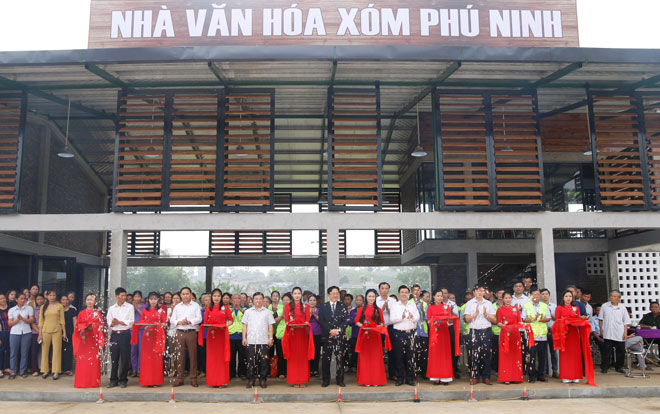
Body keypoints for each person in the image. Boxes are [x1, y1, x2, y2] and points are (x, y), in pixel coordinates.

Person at [553, 290, 595, 385]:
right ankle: (565, 376)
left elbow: (577, 319)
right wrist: (565, 323)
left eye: (570, 296)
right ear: (563, 297)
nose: (568, 298)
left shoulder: (575, 308)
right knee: (565, 355)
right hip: (565, 334)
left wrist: (581, 319)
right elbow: (557, 321)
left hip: (574, 333)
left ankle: (576, 376)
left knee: (575, 354)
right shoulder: (559, 308)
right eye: (566, 296)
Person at [354, 288, 389, 386]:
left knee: (376, 358)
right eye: (369, 296)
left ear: (375, 297)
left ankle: (376, 380)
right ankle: (366, 380)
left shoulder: (379, 309)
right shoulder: (362, 308)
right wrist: (364, 327)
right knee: (365, 358)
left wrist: (375, 327)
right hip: (364, 335)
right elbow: (356, 321)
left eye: (373, 296)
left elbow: (382, 322)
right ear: (366, 297)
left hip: (375, 336)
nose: (371, 298)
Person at [199, 288, 233, 388]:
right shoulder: (208, 309)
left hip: (222, 336)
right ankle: (212, 381)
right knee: (212, 359)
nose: (216, 298)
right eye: (215, 296)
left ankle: (221, 382)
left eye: (218, 296)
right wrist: (210, 327)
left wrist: (226, 325)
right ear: (212, 298)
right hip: (212, 336)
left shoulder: (225, 308)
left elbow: (231, 320)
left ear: (221, 297)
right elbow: (205, 323)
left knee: (222, 358)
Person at [132, 291, 166, 387]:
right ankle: (146, 381)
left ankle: (156, 381)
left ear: (158, 300)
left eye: (155, 299)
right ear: (148, 300)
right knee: (146, 358)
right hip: (147, 337)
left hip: (157, 336)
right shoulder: (144, 311)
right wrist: (145, 326)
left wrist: (159, 325)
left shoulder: (161, 311)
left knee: (156, 358)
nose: (153, 301)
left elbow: (165, 323)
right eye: (151, 299)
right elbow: (142, 321)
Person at [464, 285, 496, 385]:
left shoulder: (489, 303)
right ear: (474, 292)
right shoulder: (469, 303)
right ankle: (475, 377)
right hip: (474, 331)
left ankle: (486, 377)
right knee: (474, 354)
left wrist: (486, 315)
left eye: (482, 291)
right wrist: (475, 314)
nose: (480, 292)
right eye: (477, 290)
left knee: (486, 354)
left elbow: (494, 320)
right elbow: (467, 319)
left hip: (486, 331)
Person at [171, 286, 203, 387]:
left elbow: (199, 318)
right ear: (180, 295)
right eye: (183, 294)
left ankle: (193, 378)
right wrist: (179, 322)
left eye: (187, 294)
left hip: (191, 332)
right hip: (179, 332)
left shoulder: (195, 306)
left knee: (193, 355)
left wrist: (190, 321)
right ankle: (180, 378)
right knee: (180, 356)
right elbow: (172, 320)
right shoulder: (177, 307)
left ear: (190, 294)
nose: (185, 296)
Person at [319, 285, 350, 387]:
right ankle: (326, 380)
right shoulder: (323, 306)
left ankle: (340, 379)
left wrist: (338, 330)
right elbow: (321, 321)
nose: (335, 295)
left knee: (340, 358)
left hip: (339, 336)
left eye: (337, 293)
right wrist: (330, 331)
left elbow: (346, 320)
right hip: (327, 336)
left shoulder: (343, 306)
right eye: (333, 293)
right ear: (329, 294)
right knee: (326, 359)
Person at [242, 292, 275, 388]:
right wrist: (244, 338)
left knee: (264, 361)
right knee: (250, 361)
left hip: (263, 341)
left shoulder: (267, 312)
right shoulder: (248, 312)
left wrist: (271, 338)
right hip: (251, 341)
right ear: (252, 300)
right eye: (256, 298)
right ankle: (251, 380)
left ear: (263, 300)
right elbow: (244, 325)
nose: (258, 300)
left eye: (260, 299)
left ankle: (263, 379)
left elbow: (270, 326)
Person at [282, 286, 313, 387]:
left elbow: (307, 320)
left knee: (303, 357)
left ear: (301, 295)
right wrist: (292, 325)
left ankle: (302, 380)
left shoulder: (306, 307)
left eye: (299, 293)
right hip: (292, 335)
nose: (297, 295)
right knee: (293, 358)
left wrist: (303, 324)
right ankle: (295, 380)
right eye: (295, 293)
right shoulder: (287, 307)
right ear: (292, 294)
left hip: (303, 335)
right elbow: (287, 321)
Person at [426, 289, 459, 385]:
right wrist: (436, 321)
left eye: (441, 296)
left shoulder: (446, 307)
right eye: (438, 296)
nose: (440, 297)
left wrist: (450, 320)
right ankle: (435, 376)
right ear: (434, 297)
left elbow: (449, 321)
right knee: (435, 354)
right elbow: (428, 321)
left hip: (445, 332)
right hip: (435, 333)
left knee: (445, 354)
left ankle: (446, 377)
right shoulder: (430, 308)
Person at [390, 285, 420, 386]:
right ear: (399, 294)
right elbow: (392, 319)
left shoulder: (412, 304)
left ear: (408, 294)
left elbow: (417, 318)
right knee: (399, 356)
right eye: (402, 292)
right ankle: (400, 378)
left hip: (411, 332)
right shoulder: (395, 305)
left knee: (410, 356)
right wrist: (401, 317)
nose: (404, 294)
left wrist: (412, 317)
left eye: (406, 292)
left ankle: (409, 378)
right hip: (399, 333)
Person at [73, 294, 105, 388]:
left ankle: (93, 382)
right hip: (83, 340)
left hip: (93, 340)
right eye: (88, 299)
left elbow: (101, 326)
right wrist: (83, 328)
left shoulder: (97, 313)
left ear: (95, 302)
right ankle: (82, 382)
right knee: (82, 361)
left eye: (91, 300)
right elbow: (77, 326)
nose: (89, 302)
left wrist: (92, 326)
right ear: (85, 301)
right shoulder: (81, 313)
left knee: (93, 362)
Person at [107, 287, 134, 388]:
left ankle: (123, 380)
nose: (124, 297)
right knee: (114, 358)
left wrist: (120, 322)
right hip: (114, 334)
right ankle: (113, 380)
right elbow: (109, 321)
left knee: (125, 358)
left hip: (125, 334)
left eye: (125, 295)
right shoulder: (112, 308)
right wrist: (113, 323)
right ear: (116, 296)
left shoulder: (129, 307)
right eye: (122, 295)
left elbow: (131, 322)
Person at [598, 290, 630, 374]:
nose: (612, 297)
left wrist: (625, 333)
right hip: (608, 332)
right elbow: (600, 319)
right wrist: (601, 329)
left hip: (619, 332)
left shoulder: (622, 307)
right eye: (611, 296)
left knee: (621, 351)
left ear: (619, 298)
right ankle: (605, 367)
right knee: (606, 351)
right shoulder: (605, 306)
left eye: (615, 296)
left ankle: (619, 367)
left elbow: (626, 322)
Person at [522, 288, 550, 383]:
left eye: (538, 294)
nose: (537, 296)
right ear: (531, 295)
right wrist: (532, 319)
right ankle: (531, 375)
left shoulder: (544, 306)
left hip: (542, 335)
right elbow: (523, 319)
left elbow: (548, 318)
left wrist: (542, 319)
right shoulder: (526, 305)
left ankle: (541, 375)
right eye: (535, 294)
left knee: (542, 356)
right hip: (531, 335)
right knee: (531, 356)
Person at [496, 292, 523, 384]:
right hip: (505, 334)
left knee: (516, 354)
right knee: (505, 355)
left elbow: (519, 321)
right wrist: (504, 326)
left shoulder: (516, 309)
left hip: (515, 334)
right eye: (506, 298)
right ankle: (506, 377)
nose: (508, 300)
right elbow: (498, 322)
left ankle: (516, 377)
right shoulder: (500, 310)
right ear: (502, 299)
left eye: (509, 298)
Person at [39, 289, 66, 380]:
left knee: (57, 351)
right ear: (47, 296)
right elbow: (41, 321)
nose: (52, 297)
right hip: (45, 330)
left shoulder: (60, 306)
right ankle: (45, 370)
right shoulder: (43, 307)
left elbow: (62, 320)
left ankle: (56, 371)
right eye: (50, 295)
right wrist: (40, 334)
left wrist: (64, 333)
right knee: (45, 351)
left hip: (57, 330)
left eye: (54, 295)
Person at [7, 293, 34, 378]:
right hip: (14, 332)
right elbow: (10, 323)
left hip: (26, 332)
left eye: (24, 299)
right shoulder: (12, 310)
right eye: (21, 299)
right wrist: (17, 320)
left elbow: (31, 320)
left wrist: (22, 319)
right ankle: (13, 371)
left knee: (24, 352)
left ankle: (22, 371)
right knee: (13, 353)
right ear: (16, 300)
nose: (23, 301)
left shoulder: (29, 308)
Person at [376, 282, 398, 380]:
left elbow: (396, 315)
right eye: (382, 288)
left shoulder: (393, 301)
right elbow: (373, 315)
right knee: (378, 350)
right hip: (379, 328)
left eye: (386, 288)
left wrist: (388, 309)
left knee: (392, 351)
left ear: (389, 289)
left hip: (390, 327)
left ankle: (392, 373)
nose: (384, 290)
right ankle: (378, 373)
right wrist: (382, 309)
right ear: (379, 289)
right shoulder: (375, 300)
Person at [540, 288, 559, 378]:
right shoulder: (538, 306)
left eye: (546, 294)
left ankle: (555, 371)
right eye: (543, 294)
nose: (545, 296)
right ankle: (543, 371)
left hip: (552, 329)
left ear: (549, 295)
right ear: (540, 296)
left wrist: (551, 315)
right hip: (542, 330)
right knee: (543, 353)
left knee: (553, 352)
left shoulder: (554, 306)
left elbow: (557, 319)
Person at [412, 285, 429, 379]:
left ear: (420, 292)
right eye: (414, 290)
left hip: (423, 331)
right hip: (413, 331)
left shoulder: (424, 303)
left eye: (418, 290)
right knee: (413, 352)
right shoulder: (409, 302)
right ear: (411, 292)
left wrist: (422, 310)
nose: (416, 292)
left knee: (424, 353)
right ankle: (414, 371)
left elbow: (427, 318)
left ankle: (424, 372)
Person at [228, 293, 246, 379]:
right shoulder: (228, 309)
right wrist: (232, 309)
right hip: (230, 336)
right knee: (231, 356)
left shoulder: (245, 309)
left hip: (241, 336)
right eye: (234, 298)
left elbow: (247, 317)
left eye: (238, 298)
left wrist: (239, 308)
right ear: (231, 300)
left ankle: (241, 372)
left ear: (241, 300)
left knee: (242, 356)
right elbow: (224, 317)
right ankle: (231, 373)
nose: (236, 300)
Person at [269, 290, 285, 378]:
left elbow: (280, 319)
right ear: (271, 298)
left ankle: (281, 372)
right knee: (269, 353)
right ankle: (270, 371)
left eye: (277, 296)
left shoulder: (282, 307)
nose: (275, 297)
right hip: (270, 333)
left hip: (280, 332)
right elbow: (269, 320)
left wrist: (278, 316)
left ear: (279, 298)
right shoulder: (268, 307)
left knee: (280, 353)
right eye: (273, 296)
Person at [165, 292, 181, 378]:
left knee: (181, 353)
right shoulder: (168, 310)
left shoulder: (182, 308)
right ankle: (173, 370)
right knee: (173, 353)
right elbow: (166, 321)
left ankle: (181, 370)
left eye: (177, 298)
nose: (175, 300)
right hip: (171, 333)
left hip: (180, 332)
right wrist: (171, 311)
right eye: (174, 298)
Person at [60, 295, 76, 376]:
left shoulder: (72, 310)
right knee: (59, 350)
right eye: (63, 300)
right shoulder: (58, 310)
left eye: (66, 300)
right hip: (58, 332)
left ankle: (67, 369)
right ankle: (59, 368)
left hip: (70, 332)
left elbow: (74, 321)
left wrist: (74, 332)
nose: (65, 301)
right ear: (60, 301)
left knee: (69, 351)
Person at [347, 294, 363, 372]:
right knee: (354, 351)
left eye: (360, 300)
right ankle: (353, 365)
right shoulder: (352, 311)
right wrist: (355, 321)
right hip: (355, 334)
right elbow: (350, 322)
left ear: (363, 301)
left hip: (363, 334)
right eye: (357, 300)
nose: (358, 301)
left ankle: (360, 366)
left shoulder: (365, 311)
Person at [130, 290, 144, 378]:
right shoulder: (129, 307)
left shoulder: (145, 306)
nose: (136, 298)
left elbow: (144, 316)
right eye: (135, 297)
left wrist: (137, 308)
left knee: (141, 350)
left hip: (142, 329)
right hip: (133, 330)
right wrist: (133, 307)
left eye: (138, 296)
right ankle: (134, 369)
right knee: (133, 350)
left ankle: (139, 369)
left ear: (141, 298)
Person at [308, 294, 322, 377]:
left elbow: (322, 320)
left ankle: (315, 369)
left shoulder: (319, 310)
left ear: (316, 301)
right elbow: (305, 320)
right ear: (308, 301)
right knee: (309, 351)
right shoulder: (305, 310)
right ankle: (309, 369)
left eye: (314, 300)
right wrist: (310, 314)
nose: (312, 302)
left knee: (316, 351)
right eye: (310, 300)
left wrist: (315, 315)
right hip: (307, 333)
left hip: (317, 332)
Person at [0, 293, 9, 377]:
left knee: (9, 350)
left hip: (11, 332)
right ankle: (0, 369)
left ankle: (7, 367)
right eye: (1, 299)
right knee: (1, 351)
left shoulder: (10, 308)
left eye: (4, 298)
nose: (3, 300)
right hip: (1, 332)